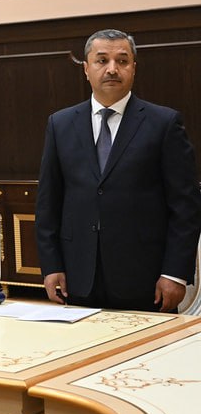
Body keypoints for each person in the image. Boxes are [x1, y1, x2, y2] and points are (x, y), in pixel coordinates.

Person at [36, 29, 201, 312]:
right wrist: (51, 266)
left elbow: (186, 207)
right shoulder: (60, 124)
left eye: (122, 61)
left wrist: (174, 273)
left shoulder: (164, 123)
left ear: (133, 68)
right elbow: (48, 203)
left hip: (146, 280)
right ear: (86, 69)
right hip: (78, 277)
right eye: (102, 60)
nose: (112, 69)